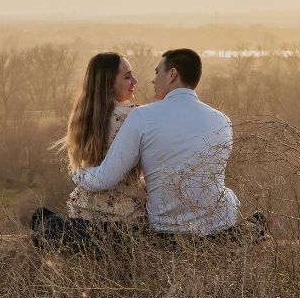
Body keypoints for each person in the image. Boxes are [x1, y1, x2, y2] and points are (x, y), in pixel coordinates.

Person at [71, 48, 242, 237]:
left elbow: (105, 178)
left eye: (156, 72)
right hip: (218, 223)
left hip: (167, 226)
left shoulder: (142, 116)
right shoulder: (222, 120)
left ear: (172, 74)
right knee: (228, 194)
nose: (152, 80)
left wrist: (77, 173)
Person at [30, 52, 146, 250]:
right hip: (124, 216)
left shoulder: (85, 117)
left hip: (83, 211)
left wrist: (78, 174)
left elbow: (85, 167)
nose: (135, 81)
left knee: (45, 218)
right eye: (127, 77)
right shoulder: (134, 117)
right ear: (109, 83)